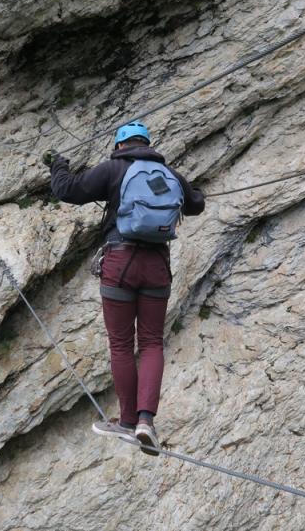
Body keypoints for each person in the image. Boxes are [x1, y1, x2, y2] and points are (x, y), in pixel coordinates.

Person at [44, 121, 205, 456]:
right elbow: (196, 204)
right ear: (148, 144)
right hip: (157, 266)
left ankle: (127, 422)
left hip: (120, 262)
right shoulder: (169, 173)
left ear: (119, 146)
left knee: (121, 345)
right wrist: (195, 193)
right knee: (150, 343)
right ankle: (146, 420)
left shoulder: (113, 169)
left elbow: (67, 191)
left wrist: (58, 166)